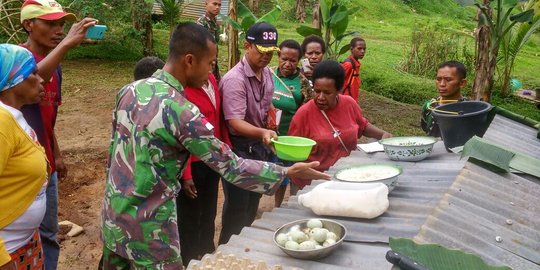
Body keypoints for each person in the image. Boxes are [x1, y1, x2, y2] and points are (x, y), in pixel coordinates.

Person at [100, 22, 329, 269]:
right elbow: (231, 166)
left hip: (114, 217)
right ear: (189, 60)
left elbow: (113, 155)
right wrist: (285, 171)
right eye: (210, 64)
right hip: (150, 229)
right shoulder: (182, 111)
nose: (211, 73)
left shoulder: (130, 90)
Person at [19, 1, 97, 269]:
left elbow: (48, 118)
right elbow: (27, 80)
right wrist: (66, 45)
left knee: (49, 235)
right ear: (29, 25)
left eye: (61, 25)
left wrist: (58, 155)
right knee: (20, 239)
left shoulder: (57, 67)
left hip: (47, 165)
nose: (59, 30)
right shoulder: (14, 58)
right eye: (51, 23)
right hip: (20, 168)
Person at [218, 22, 282, 245]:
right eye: (261, 50)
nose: (266, 57)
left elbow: (265, 107)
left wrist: (270, 119)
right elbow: (234, 123)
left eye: (270, 52)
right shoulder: (235, 80)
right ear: (247, 45)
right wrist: (263, 131)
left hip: (259, 148)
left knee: (252, 205)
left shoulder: (267, 75)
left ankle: (244, 250)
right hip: (239, 151)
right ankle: (226, 253)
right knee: (237, 207)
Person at [288, 60, 392, 193]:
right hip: (311, 185)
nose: (320, 97)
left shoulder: (349, 104)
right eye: (317, 91)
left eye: (327, 92)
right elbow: (293, 153)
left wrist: (383, 135)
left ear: (339, 90)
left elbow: (363, 126)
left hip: (346, 179)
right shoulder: (303, 114)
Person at [0, 44, 48, 270]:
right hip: (8, 252)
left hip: (24, 243)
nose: (42, 80)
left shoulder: (14, 115)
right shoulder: (1, 122)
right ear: (12, 78)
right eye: (33, 73)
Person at [176, 71, 229, 266]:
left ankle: (206, 251)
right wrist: (186, 173)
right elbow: (181, 138)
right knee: (190, 214)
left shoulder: (211, 79)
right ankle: (189, 257)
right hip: (193, 161)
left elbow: (217, 117)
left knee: (209, 210)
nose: (210, 67)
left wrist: (224, 149)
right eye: (208, 61)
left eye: (212, 62)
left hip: (212, 158)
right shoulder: (183, 89)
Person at [270, 39, 313, 207]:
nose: (287, 64)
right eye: (284, 59)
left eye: (293, 61)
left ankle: (282, 206)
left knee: (288, 173)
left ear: (298, 61)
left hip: (291, 137)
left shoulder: (303, 82)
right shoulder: (269, 74)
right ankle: (275, 205)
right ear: (278, 57)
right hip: (270, 135)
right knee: (272, 172)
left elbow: (308, 108)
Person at [421, 61, 468, 137]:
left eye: (448, 79)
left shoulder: (469, 109)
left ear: (462, 83)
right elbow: (425, 128)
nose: (442, 84)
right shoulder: (429, 106)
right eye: (438, 79)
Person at [197, 0, 222, 81]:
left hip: (213, 62)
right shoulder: (201, 23)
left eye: (219, 5)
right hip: (204, 64)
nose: (217, 7)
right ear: (206, 4)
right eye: (214, 4)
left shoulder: (215, 23)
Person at [341, 37, 366, 103]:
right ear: (351, 49)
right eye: (359, 48)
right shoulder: (348, 65)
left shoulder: (356, 65)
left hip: (352, 100)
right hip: (345, 101)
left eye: (364, 49)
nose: (363, 51)